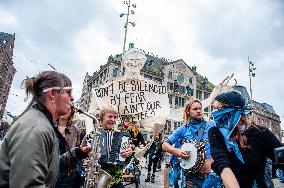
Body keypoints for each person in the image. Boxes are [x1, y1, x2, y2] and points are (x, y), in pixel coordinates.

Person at [0, 71, 90, 187]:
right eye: (68, 92)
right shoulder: (36, 128)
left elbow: (49, 166)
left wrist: (78, 153)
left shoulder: (42, 123)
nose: (72, 98)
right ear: (53, 93)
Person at [208, 91, 282, 188]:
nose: (214, 112)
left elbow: (281, 157)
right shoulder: (215, 132)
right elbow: (222, 163)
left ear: (233, 110)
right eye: (213, 108)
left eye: (218, 108)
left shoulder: (261, 132)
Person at [162, 98, 215, 187]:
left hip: (211, 177)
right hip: (193, 178)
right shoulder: (183, 129)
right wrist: (178, 152)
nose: (199, 111)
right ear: (188, 111)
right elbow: (164, 145)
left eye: (200, 108)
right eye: (195, 109)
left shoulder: (212, 124)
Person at [98, 104, 133, 188]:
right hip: (97, 180)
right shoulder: (91, 136)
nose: (113, 120)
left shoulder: (122, 136)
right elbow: (82, 159)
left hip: (116, 181)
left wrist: (129, 154)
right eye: (110, 116)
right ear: (101, 118)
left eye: (115, 117)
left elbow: (125, 162)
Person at [56, 106, 83, 188]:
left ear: (72, 112)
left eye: (68, 108)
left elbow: (78, 149)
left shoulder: (75, 130)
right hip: (53, 170)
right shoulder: (49, 126)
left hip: (69, 172)